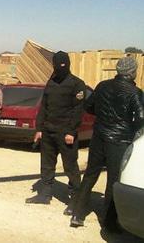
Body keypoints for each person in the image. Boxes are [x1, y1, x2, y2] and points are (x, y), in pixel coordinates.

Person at [70, 57, 144, 231]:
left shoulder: (102, 86)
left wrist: (103, 117)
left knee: (90, 175)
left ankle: (77, 214)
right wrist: (131, 128)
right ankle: (109, 223)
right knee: (113, 179)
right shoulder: (135, 92)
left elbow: (88, 106)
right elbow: (141, 117)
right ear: (133, 72)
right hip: (120, 140)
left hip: (99, 136)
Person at [25, 51, 85, 216]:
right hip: (48, 132)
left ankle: (74, 200)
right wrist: (39, 129)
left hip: (66, 133)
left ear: (68, 65)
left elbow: (78, 110)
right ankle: (44, 194)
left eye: (63, 66)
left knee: (70, 167)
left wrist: (71, 131)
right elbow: (44, 107)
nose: (60, 69)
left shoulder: (77, 84)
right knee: (46, 164)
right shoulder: (50, 82)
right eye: (57, 66)